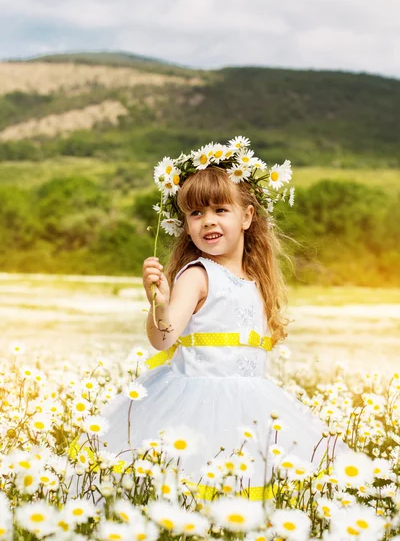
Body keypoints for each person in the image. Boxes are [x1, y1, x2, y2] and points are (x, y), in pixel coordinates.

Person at [69, 137, 350, 502]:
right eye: (196, 214)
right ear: (185, 224)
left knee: (252, 487)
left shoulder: (255, 280)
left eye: (220, 209)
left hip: (252, 405)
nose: (208, 221)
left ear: (247, 216)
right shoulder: (197, 275)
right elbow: (164, 339)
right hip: (195, 404)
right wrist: (159, 303)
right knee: (194, 486)